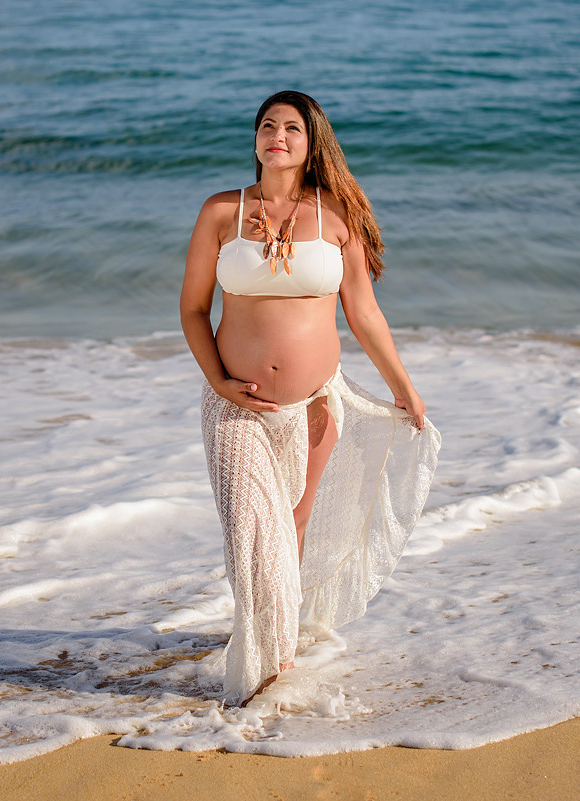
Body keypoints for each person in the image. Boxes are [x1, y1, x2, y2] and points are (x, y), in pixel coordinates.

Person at [180, 90, 441, 706]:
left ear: (311, 141)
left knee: (292, 522)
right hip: (236, 404)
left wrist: (403, 386)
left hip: (316, 404)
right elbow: (193, 310)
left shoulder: (334, 215)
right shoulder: (222, 211)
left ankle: (282, 652)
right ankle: (260, 670)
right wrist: (218, 379)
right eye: (267, 125)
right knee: (253, 528)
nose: (278, 135)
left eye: (292, 127)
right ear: (255, 140)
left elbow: (364, 313)